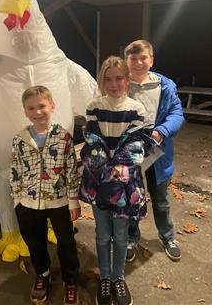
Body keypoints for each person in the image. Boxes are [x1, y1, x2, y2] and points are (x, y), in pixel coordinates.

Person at [79, 56, 154, 305]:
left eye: (119, 78)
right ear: (101, 80)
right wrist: (103, 178)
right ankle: (106, 278)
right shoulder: (93, 106)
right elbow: (92, 144)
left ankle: (119, 277)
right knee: (102, 236)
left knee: (121, 237)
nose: (114, 84)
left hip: (124, 185)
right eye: (108, 79)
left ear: (127, 79)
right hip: (98, 183)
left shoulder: (136, 109)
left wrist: (113, 181)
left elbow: (134, 148)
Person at [10, 85, 81, 305]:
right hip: (28, 204)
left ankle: (70, 281)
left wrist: (73, 200)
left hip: (59, 202)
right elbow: (15, 170)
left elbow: (71, 169)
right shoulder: (19, 139)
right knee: (35, 243)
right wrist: (17, 200)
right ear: (25, 112)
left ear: (52, 106)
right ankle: (43, 275)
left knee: (66, 242)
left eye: (41, 106)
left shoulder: (63, 137)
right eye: (31, 108)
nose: (37, 112)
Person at [124, 39, 185, 263]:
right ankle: (131, 237)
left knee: (160, 200)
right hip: (129, 152)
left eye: (143, 58)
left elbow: (177, 114)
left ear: (151, 60)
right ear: (126, 61)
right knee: (130, 199)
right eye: (133, 58)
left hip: (157, 152)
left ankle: (167, 237)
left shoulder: (165, 85)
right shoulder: (121, 84)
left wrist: (161, 131)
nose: (139, 63)